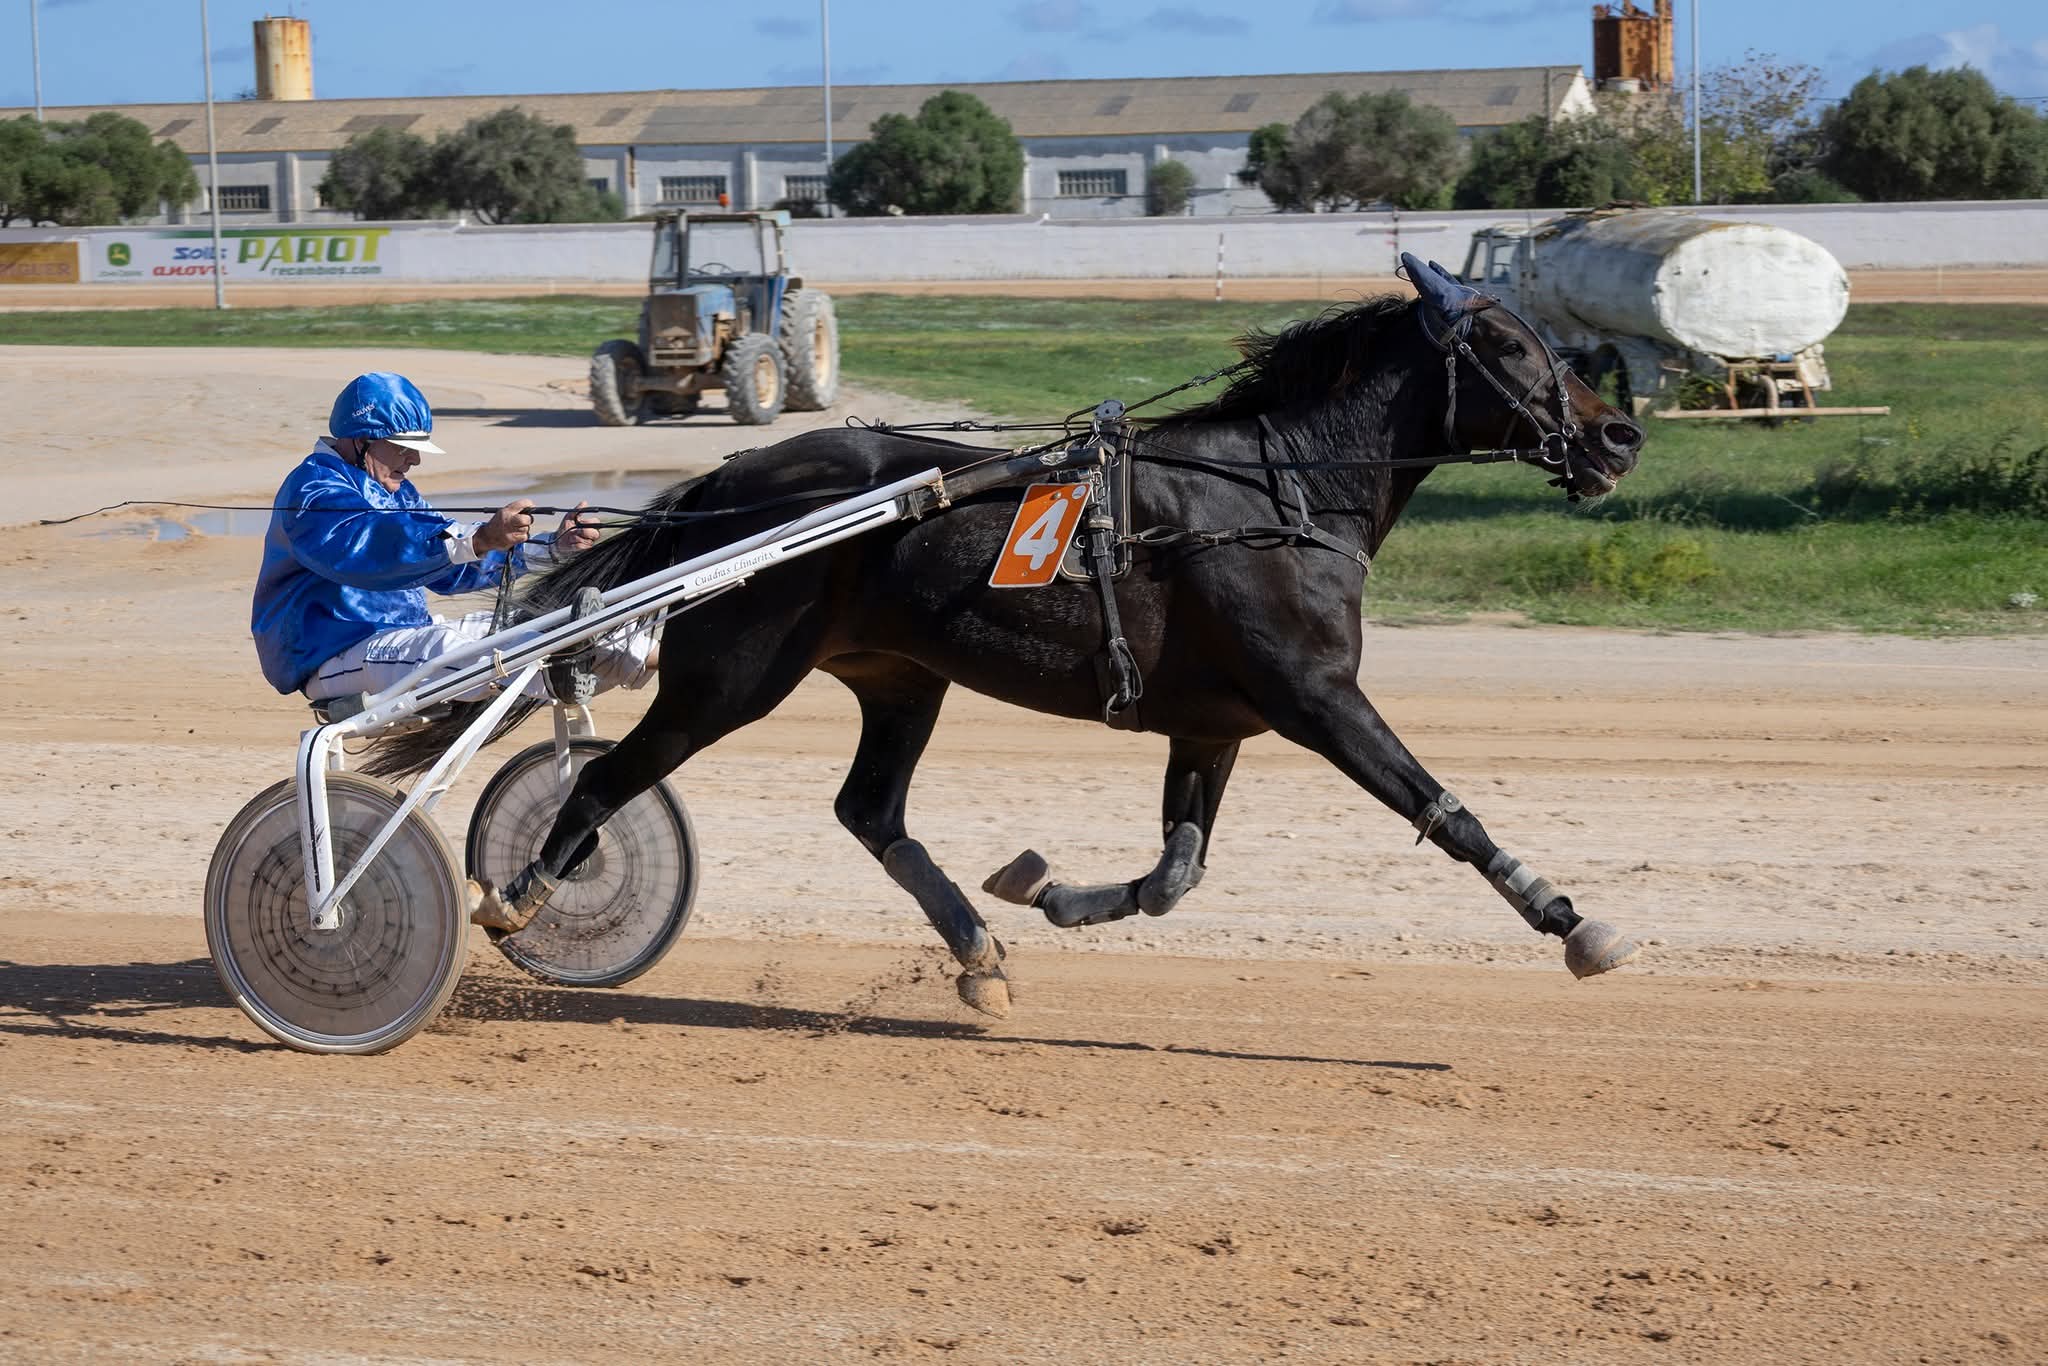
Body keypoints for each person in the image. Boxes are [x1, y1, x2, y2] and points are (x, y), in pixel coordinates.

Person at [252, 371, 655, 704]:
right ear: (361, 439)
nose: (415, 459)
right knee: (446, 646)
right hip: (329, 654)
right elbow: (368, 549)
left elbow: (449, 569)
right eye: (404, 448)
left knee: (538, 619)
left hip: (399, 639)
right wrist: (479, 538)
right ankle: (558, 676)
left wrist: (551, 548)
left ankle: (664, 657)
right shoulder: (314, 489)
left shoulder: (396, 489)